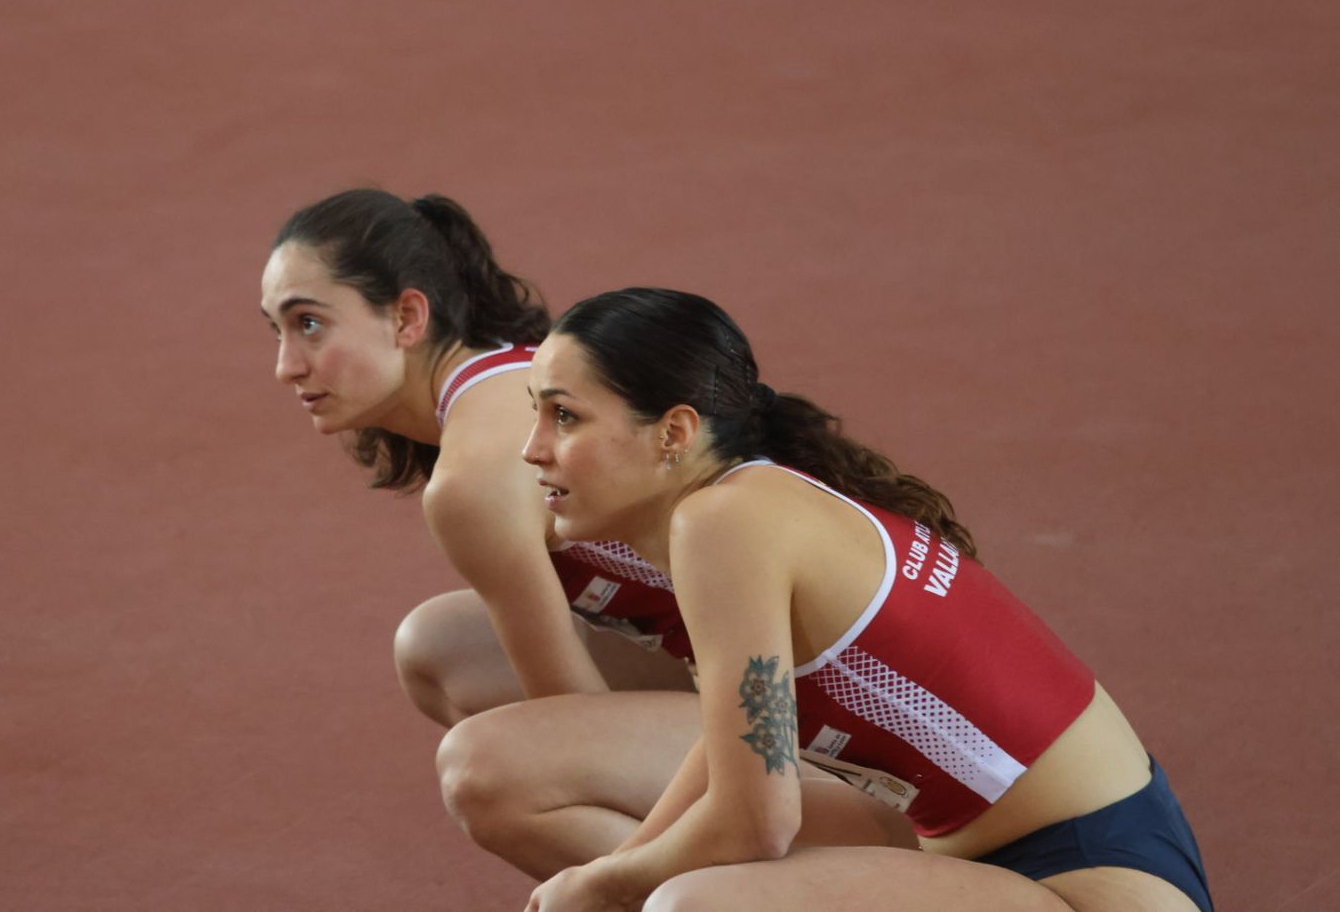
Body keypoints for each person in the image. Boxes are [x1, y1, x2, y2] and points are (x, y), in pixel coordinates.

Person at [263, 191, 912, 878]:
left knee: (490, 772)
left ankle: (750, 887)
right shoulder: (518, 370)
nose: (287, 363)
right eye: (276, 330)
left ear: (407, 316)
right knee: (440, 646)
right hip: (836, 663)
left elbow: (567, 717)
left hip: (859, 726)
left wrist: (612, 875)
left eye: (309, 324)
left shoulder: (471, 479)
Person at [512, 287, 1213, 911]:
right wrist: (616, 867)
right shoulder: (745, 503)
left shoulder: (723, 524)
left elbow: (755, 820)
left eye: (565, 416)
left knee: (693, 903)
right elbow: (741, 743)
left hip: (1095, 876)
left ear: (674, 431)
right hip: (1020, 856)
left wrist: (605, 885)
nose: (531, 448)